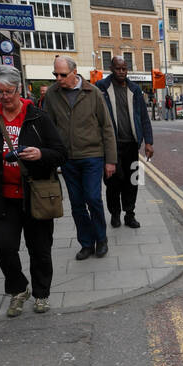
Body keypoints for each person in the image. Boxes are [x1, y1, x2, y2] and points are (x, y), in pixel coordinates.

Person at [0, 63, 66, 317]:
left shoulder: (37, 117)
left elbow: (61, 153)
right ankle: (19, 289)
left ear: (19, 89)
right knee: (3, 247)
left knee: (40, 250)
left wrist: (41, 153)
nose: (4, 97)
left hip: (35, 196)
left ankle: (41, 294)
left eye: (9, 91)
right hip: (1, 196)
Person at [44, 56, 116, 260]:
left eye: (62, 75)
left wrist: (110, 160)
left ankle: (101, 239)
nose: (58, 78)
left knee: (93, 198)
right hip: (67, 159)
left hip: (92, 156)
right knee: (76, 203)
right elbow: (47, 127)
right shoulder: (52, 94)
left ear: (74, 73)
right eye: (55, 74)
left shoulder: (92, 93)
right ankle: (86, 243)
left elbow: (107, 127)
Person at [96, 55, 154, 230]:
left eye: (124, 68)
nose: (121, 72)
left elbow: (144, 117)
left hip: (131, 144)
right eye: (118, 68)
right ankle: (115, 213)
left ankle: (130, 214)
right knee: (112, 183)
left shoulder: (135, 89)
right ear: (111, 68)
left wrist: (148, 142)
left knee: (133, 181)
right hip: (111, 145)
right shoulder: (101, 88)